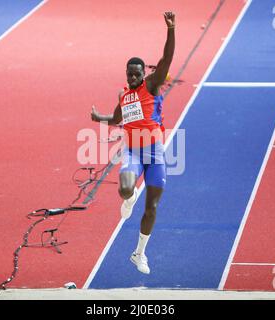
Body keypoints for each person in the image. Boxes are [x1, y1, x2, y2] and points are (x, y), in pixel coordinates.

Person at [91, 12, 175, 274]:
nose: (132, 78)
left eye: (136, 74)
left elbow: (167, 59)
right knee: (126, 189)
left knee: (151, 208)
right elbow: (117, 118)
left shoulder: (151, 85)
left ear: (143, 73)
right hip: (133, 151)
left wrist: (171, 29)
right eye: (129, 74)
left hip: (154, 153)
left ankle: (139, 253)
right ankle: (131, 196)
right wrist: (99, 117)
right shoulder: (124, 95)